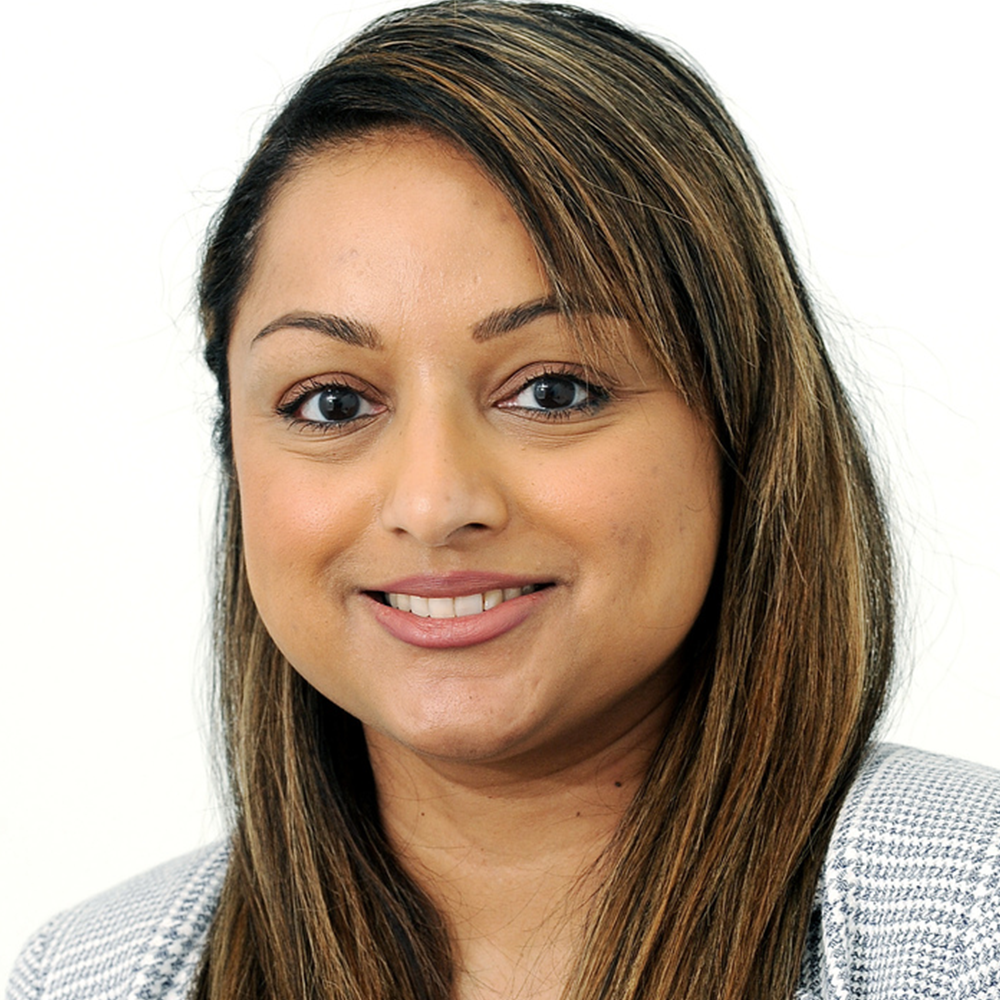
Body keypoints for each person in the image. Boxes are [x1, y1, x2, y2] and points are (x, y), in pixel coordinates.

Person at [7, 3, 999, 999]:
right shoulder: (97, 972)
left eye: (553, 390)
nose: (435, 502)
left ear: (741, 424)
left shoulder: (968, 919)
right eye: (332, 401)